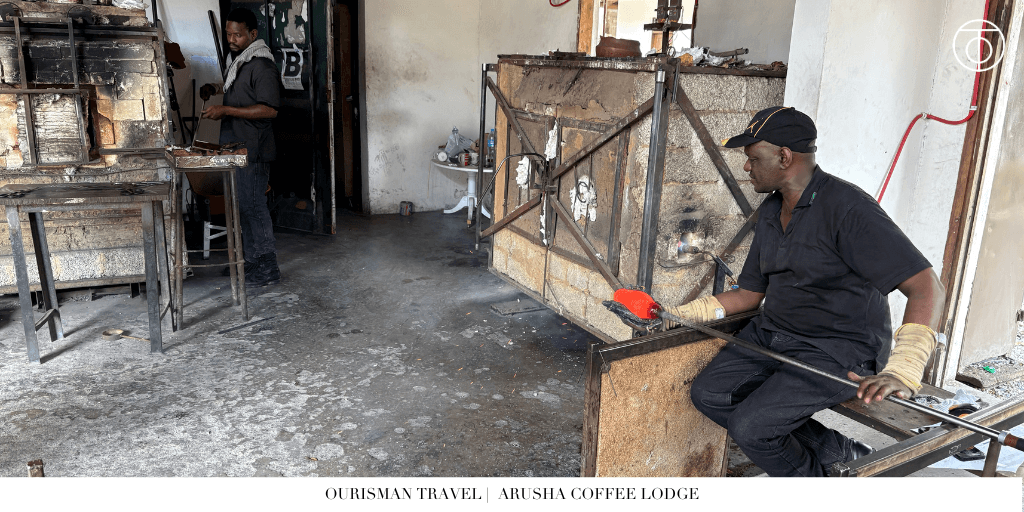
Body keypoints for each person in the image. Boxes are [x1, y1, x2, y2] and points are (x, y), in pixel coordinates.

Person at [670, 106, 945, 477]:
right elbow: (748, 294)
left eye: (753, 158)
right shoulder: (771, 210)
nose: (747, 167)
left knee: (751, 428)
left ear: (785, 156)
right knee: (709, 394)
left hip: (837, 349)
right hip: (775, 334)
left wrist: (905, 369)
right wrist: (680, 314)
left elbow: (927, 287)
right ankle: (836, 450)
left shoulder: (848, 209)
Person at [200, 8, 281, 287]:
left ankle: (268, 266)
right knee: (243, 206)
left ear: (253, 34)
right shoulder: (239, 62)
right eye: (228, 34)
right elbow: (240, 92)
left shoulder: (262, 65)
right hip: (236, 148)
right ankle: (252, 261)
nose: (232, 40)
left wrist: (226, 110)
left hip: (253, 149)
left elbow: (269, 110)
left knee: (254, 206)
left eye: (238, 35)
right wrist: (216, 89)